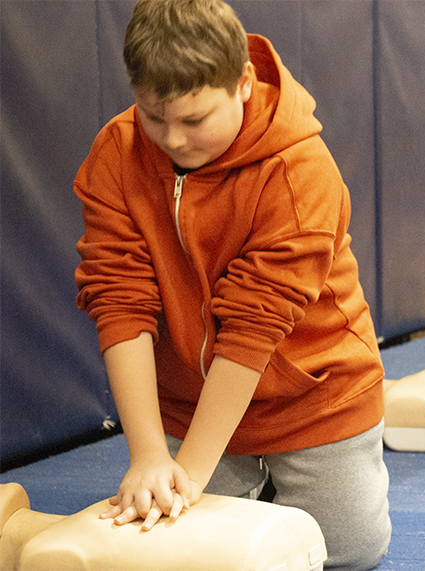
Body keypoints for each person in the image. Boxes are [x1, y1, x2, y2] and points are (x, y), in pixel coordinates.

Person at [72, 1, 390, 568]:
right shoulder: (116, 152)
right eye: (152, 115)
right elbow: (118, 300)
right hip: (187, 401)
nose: (172, 138)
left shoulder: (300, 170)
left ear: (243, 83)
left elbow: (251, 330)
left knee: (349, 553)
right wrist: (148, 454)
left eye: (195, 120)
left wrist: (187, 480)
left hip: (312, 394)